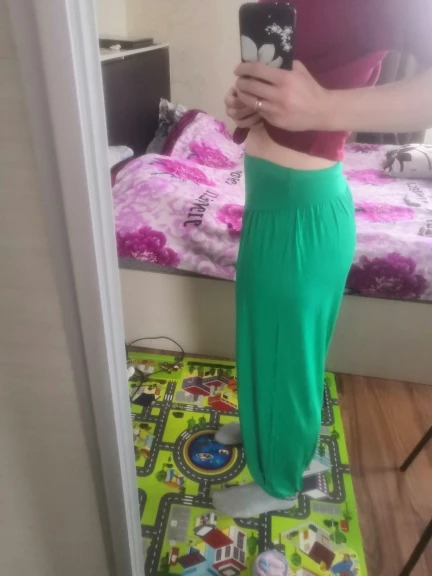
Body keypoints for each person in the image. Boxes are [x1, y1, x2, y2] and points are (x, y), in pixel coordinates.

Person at [212, 0, 432, 518]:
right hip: (271, 199)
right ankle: (265, 427)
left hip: (301, 214)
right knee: (265, 338)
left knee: (290, 361)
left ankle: (282, 481)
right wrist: (253, 104)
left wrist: (325, 107)